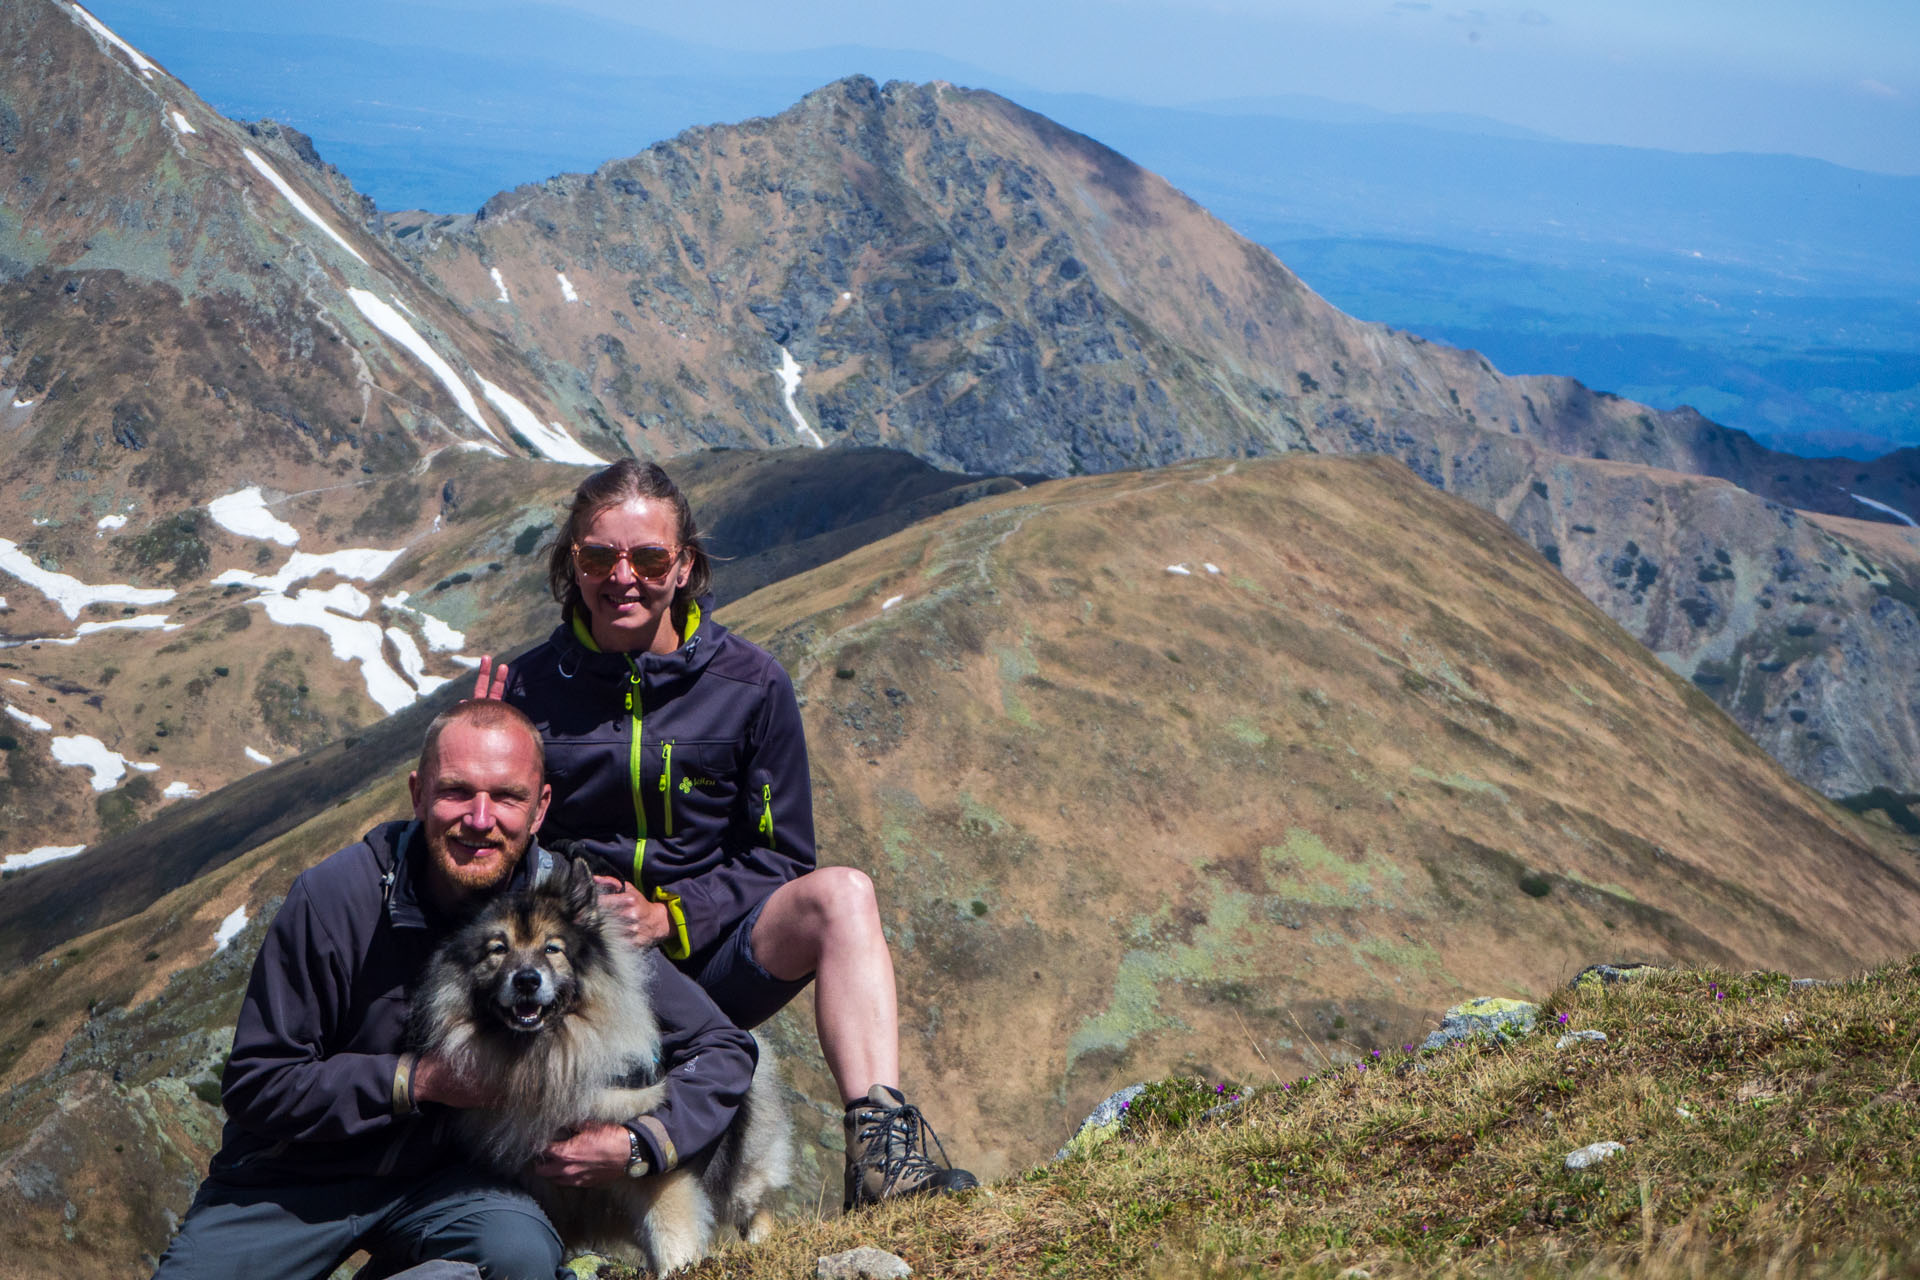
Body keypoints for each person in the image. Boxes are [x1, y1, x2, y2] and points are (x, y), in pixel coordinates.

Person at [473, 458, 976, 1212]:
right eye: (597, 557)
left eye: (648, 558)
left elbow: (782, 854)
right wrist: (479, 746)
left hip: (713, 957)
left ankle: (880, 1158)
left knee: (843, 896)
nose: (623, 577)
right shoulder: (527, 689)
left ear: (685, 569)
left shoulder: (752, 684)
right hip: (580, 972)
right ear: (569, 566)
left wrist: (672, 916)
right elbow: (489, 849)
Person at [151, 700, 758, 1280]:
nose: (480, 819)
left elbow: (723, 1048)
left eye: (507, 797)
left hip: (452, 1185)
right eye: (456, 791)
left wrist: (636, 1142)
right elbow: (258, 1083)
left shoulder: (570, 913)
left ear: (540, 808)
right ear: (418, 794)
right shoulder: (335, 900)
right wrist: (421, 1081)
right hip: (291, 1180)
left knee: (517, 1254)